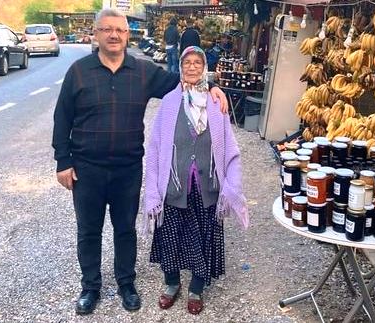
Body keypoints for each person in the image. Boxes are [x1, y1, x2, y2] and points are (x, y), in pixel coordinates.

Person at [51, 9, 228, 316]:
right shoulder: (79, 71)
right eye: (106, 29)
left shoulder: (143, 71)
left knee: (125, 229)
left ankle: (126, 283)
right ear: (96, 34)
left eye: (119, 29)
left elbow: (183, 79)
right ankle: (90, 287)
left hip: (128, 168)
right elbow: (61, 116)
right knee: (88, 230)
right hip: (86, 168)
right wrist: (62, 161)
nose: (114, 35)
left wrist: (211, 86)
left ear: (127, 34)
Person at [143, 46, 249, 315]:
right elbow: (155, 147)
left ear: (204, 68)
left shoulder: (216, 103)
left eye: (197, 62)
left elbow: (230, 148)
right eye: (187, 62)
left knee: (203, 237)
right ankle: (171, 284)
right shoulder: (169, 102)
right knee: (170, 236)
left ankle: (196, 289)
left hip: (207, 187)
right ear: (181, 66)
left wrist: (231, 186)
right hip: (174, 185)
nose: (191, 67)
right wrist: (154, 187)